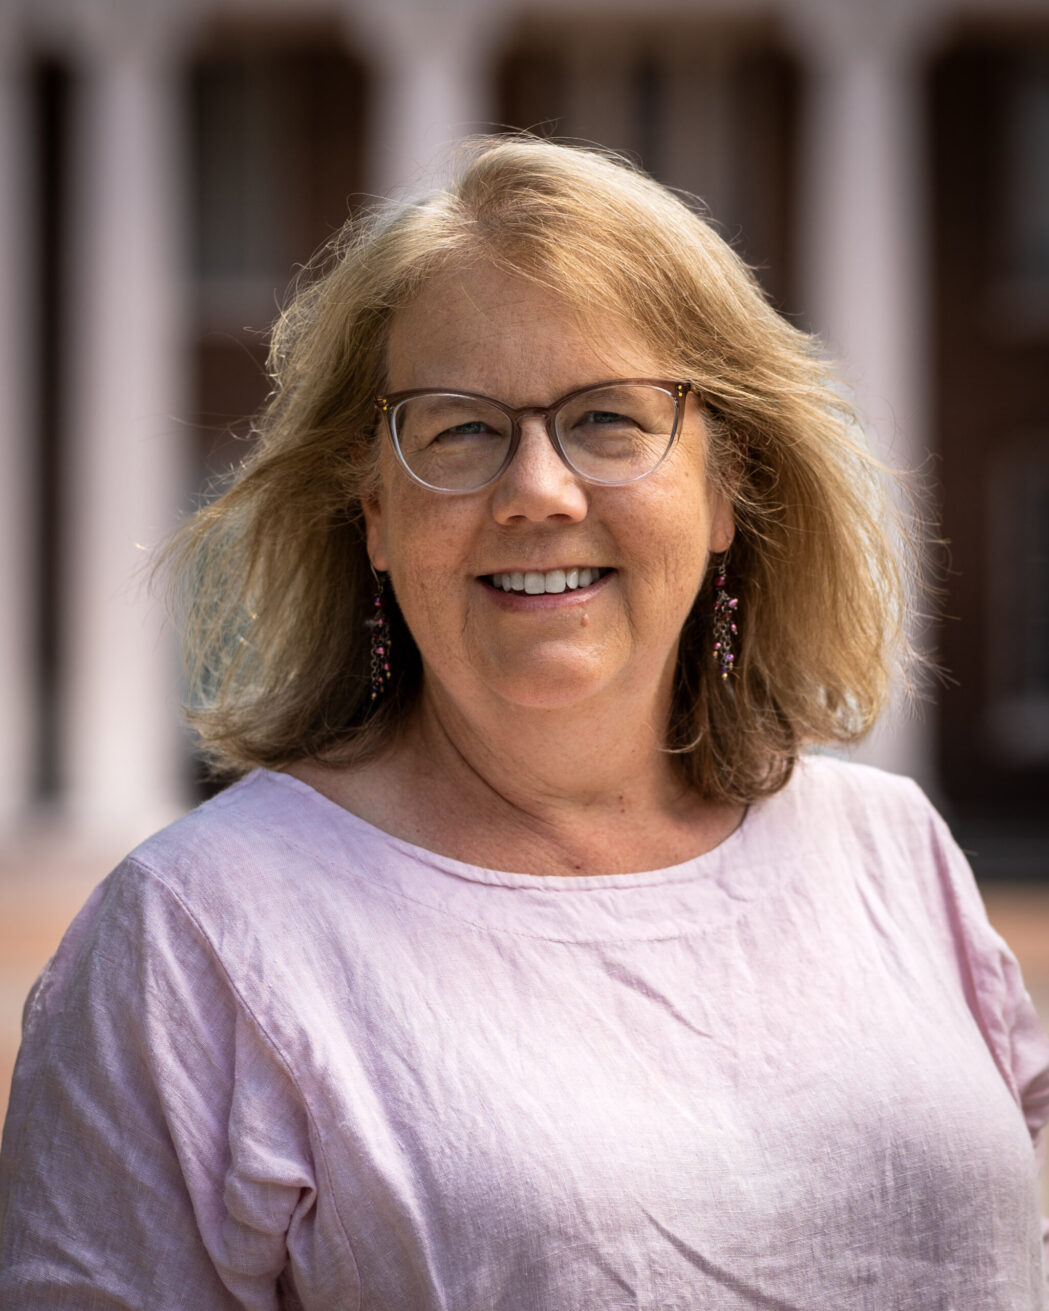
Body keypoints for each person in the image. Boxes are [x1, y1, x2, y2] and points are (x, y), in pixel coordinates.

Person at [1, 136, 1047, 1311]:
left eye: (607, 419)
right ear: (374, 513)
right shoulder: (195, 937)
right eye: (458, 428)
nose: (538, 490)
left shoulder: (891, 852)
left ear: (722, 489)